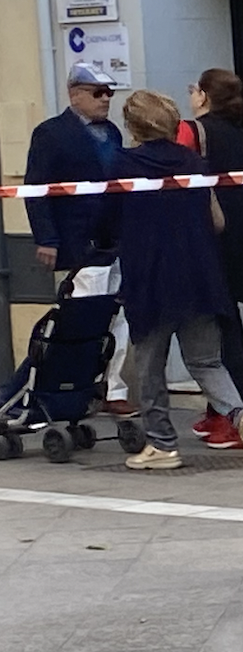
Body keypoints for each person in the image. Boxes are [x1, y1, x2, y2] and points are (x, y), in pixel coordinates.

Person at [112, 89, 243, 469]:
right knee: (207, 362)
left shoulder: (122, 166)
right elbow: (218, 221)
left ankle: (163, 446)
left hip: (151, 279)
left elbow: (107, 221)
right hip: (201, 276)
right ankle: (241, 415)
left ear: (132, 125)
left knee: (150, 366)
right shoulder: (195, 164)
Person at [24, 62, 131, 413]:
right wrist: (47, 238)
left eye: (109, 93)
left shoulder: (112, 133)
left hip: (113, 239)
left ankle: (112, 388)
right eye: (98, 93)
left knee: (117, 318)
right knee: (81, 317)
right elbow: (36, 188)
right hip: (78, 241)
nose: (106, 100)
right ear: (75, 94)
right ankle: (69, 388)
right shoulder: (51, 133)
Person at [176, 69, 243, 453]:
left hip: (208, 243)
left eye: (194, 89)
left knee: (221, 334)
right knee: (226, 326)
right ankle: (221, 411)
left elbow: (179, 183)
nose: (191, 95)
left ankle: (239, 416)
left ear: (203, 97)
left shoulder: (191, 132)